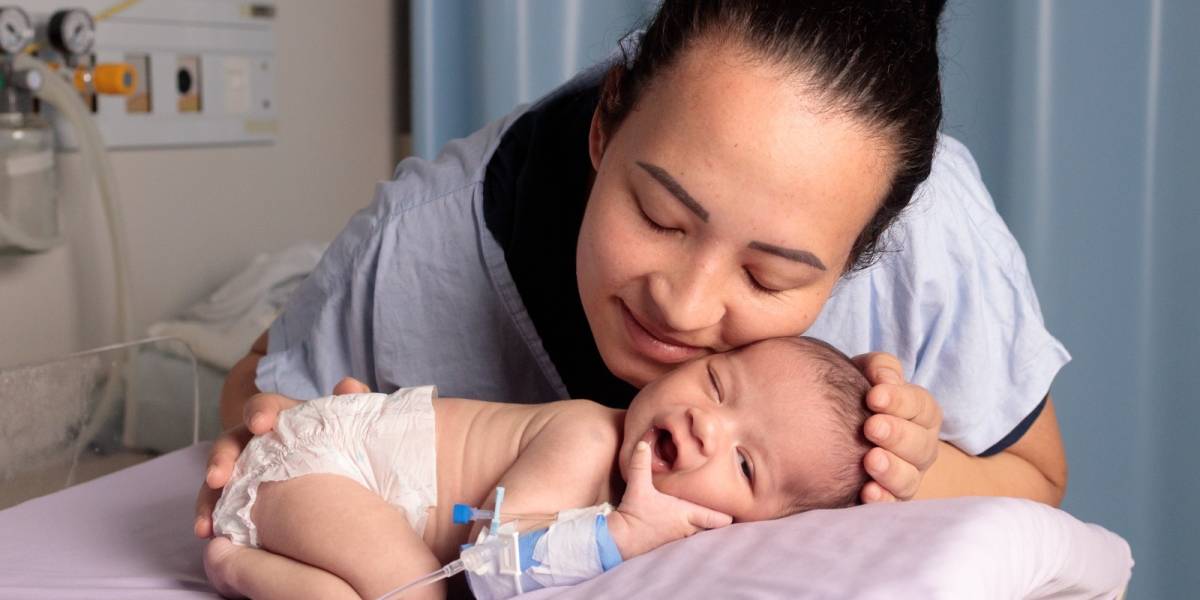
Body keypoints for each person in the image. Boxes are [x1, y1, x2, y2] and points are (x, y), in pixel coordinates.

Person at [196, 0, 1069, 570]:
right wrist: (257, 427)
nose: (683, 308)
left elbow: (1038, 477)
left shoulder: (931, 230)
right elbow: (259, 375)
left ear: (866, 251)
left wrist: (902, 471)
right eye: (659, 217)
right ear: (608, 122)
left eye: (769, 276)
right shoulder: (418, 244)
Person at [205, 337, 873, 599]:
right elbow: (491, 565)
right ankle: (236, 559)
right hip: (324, 464)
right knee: (418, 596)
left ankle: (242, 566)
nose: (708, 422)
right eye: (718, 383)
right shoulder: (585, 436)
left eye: (746, 463)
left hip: (352, 492)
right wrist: (623, 535)